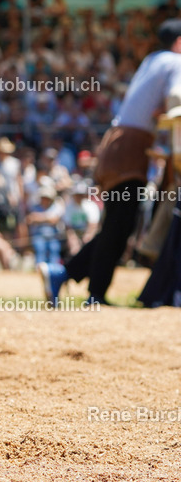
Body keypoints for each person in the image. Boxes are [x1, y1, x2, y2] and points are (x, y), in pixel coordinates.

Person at [41, 19, 181, 305]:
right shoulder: (176, 62)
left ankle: (64, 273)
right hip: (129, 149)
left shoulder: (153, 60)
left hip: (118, 146)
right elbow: (176, 97)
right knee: (119, 225)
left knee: (119, 224)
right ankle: (94, 292)